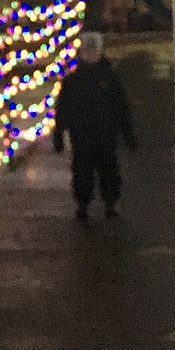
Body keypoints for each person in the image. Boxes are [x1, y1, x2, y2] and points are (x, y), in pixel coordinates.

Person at [52, 31, 137, 220]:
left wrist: (128, 133)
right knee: (84, 170)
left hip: (104, 134)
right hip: (83, 135)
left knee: (107, 169)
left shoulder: (107, 79)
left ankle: (108, 202)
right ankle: (85, 203)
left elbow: (120, 107)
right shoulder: (74, 81)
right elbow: (63, 109)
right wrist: (58, 133)